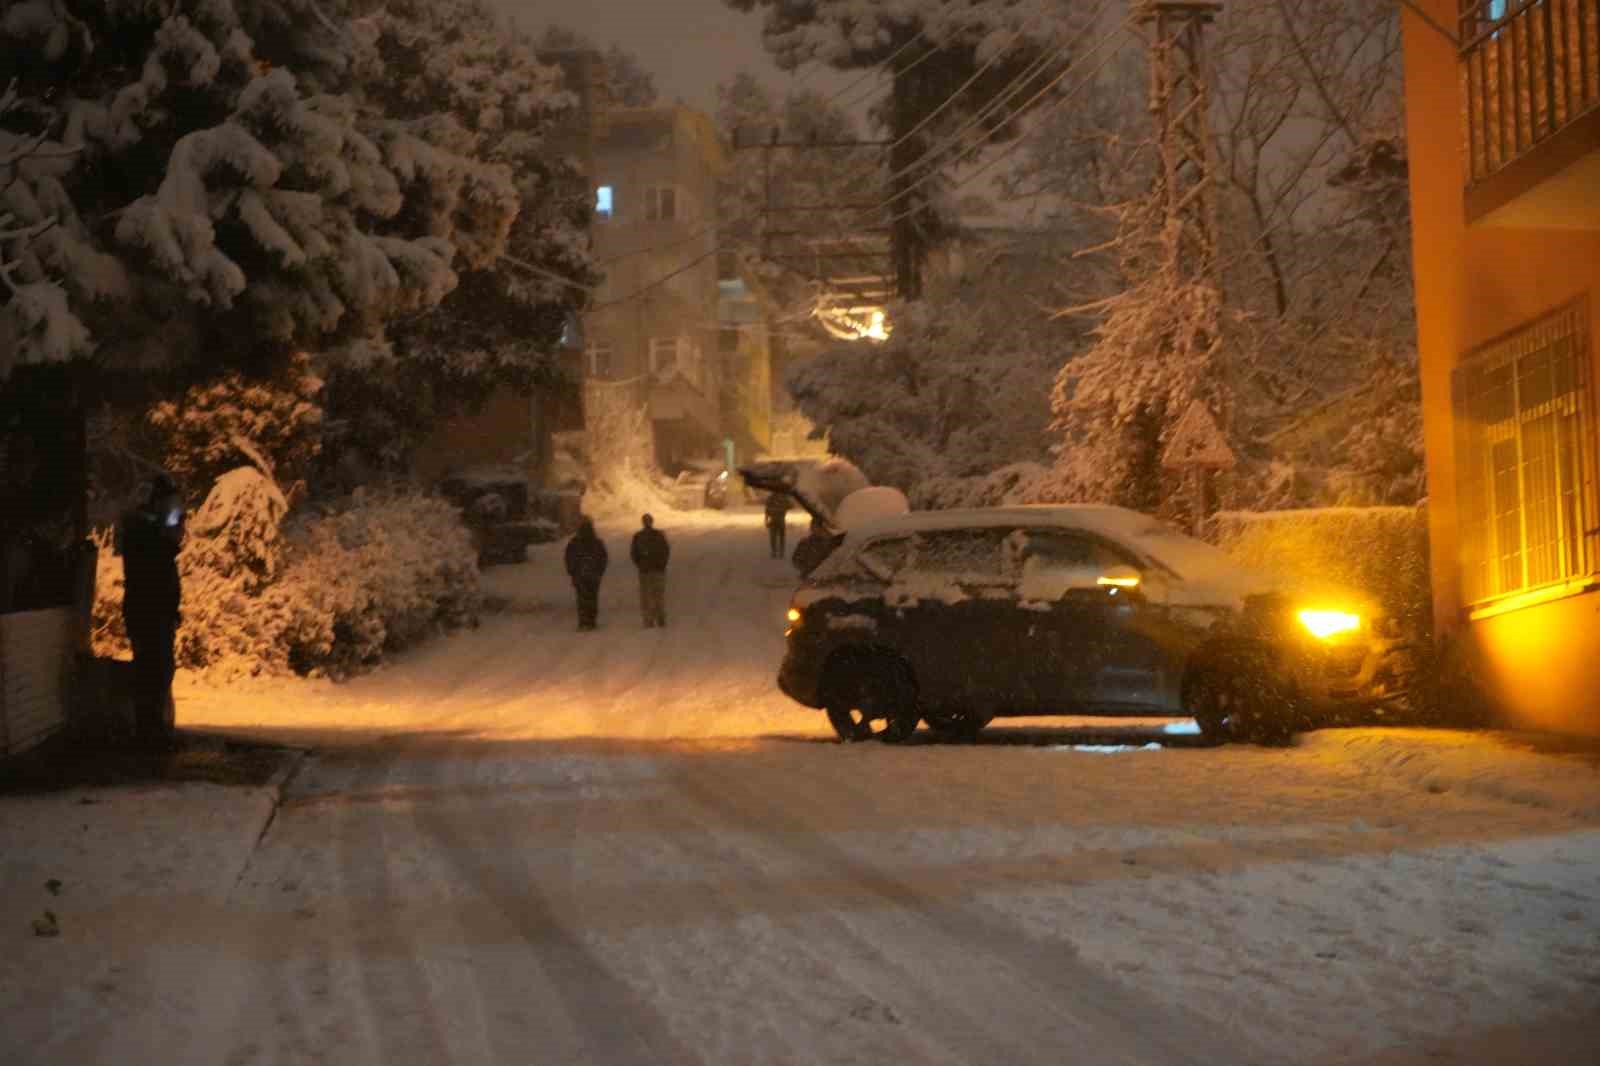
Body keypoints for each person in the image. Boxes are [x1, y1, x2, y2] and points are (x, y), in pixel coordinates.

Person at [116, 473, 184, 749]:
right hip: (148, 613)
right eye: (170, 504)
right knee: (152, 672)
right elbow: (158, 562)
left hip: (155, 612)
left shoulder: (148, 529)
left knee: (158, 671)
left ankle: (153, 730)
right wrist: (169, 531)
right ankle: (149, 733)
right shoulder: (143, 531)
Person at [563, 517, 608, 631]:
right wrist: (599, 571)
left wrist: (572, 571)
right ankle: (591, 620)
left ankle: (583, 621)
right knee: (592, 597)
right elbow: (603, 558)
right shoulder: (596, 542)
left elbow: (569, 558)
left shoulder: (574, 543)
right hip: (593, 575)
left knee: (582, 598)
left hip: (580, 575)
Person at [629, 513, 671, 628]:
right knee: (658, 595)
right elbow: (666, 551)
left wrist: (640, 564)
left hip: (645, 570)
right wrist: (662, 564)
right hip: (657, 570)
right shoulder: (659, 535)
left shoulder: (638, 536)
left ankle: (649, 620)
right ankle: (660, 617)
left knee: (646, 596)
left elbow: (634, 553)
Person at [764, 491, 793, 559]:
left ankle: (780, 552)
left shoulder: (782, 498)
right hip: (775, 520)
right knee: (774, 537)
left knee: (780, 537)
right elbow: (767, 510)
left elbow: (791, 506)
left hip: (779, 520)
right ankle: (776, 551)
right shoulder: (772, 498)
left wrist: (766, 520)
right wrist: (766, 520)